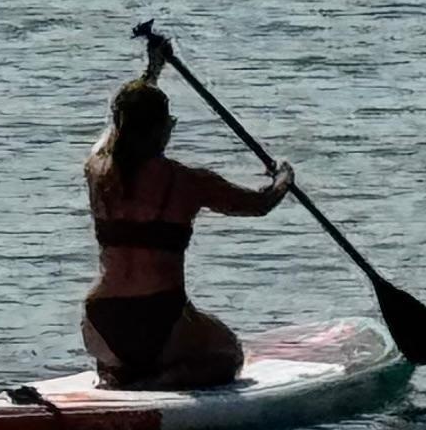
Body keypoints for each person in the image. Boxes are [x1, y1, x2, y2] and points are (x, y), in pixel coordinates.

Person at [83, 68, 292, 389]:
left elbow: (113, 134)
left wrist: (151, 73)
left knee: (130, 356)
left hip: (99, 322)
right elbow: (259, 205)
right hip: (161, 318)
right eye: (169, 123)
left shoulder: (97, 171)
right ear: (161, 129)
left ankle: (119, 374)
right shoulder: (189, 182)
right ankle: (159, 381)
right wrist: (283, 179)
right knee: (229, 354)